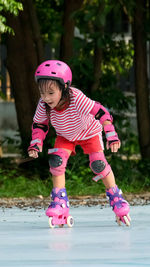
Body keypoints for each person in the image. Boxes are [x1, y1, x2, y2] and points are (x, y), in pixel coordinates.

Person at [27, 60, 131, 227]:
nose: (46, 98)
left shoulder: (76, 98)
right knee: (56, 161)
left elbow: (101, 111)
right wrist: (36, 142)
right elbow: (39, 125)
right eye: (42, 93)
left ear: (64, 87)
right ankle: (60, 203)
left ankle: (117, 200)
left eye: (51, 93)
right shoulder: (44, 104)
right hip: (66, 136)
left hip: (89, 133)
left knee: (98, 164)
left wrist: (111, 134)